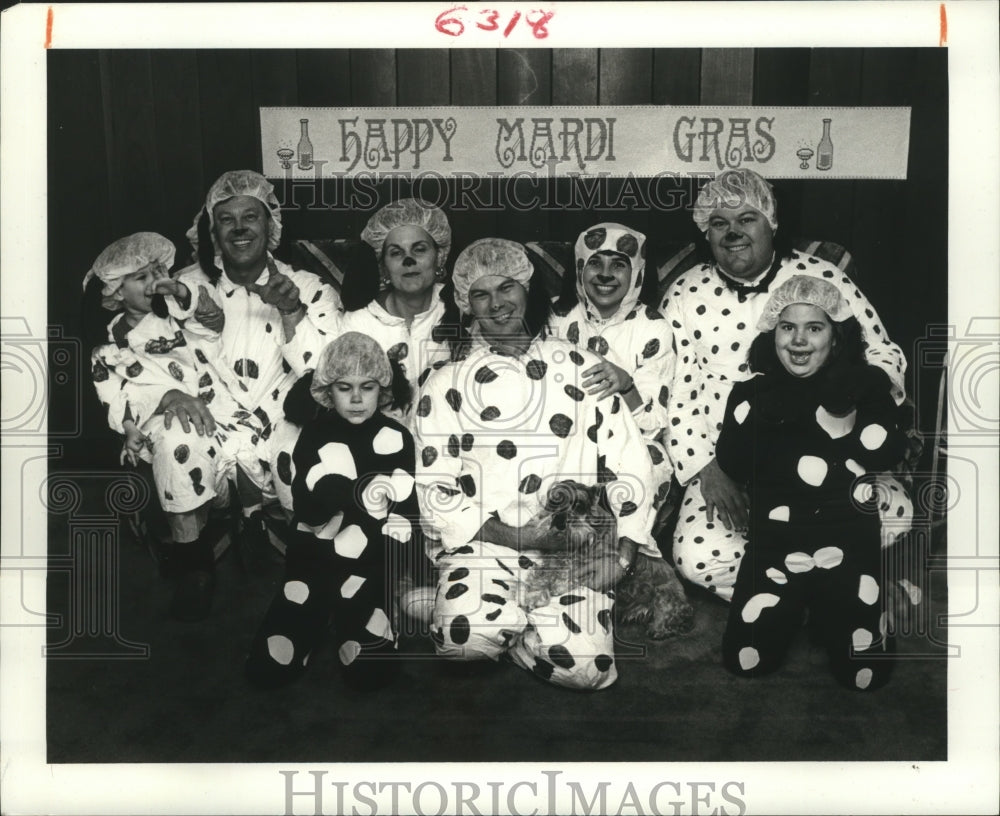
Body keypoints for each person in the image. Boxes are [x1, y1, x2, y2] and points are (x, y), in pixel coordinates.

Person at [414, 238, 681, 690]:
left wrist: (624, 553)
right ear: (466, 303)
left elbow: (632, 460)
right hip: (486, 545)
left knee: (588, 672)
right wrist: (517, 536)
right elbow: (435, 489)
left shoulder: (582, 365)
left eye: (507, 288)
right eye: (481, 294)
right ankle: (497, 622)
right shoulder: (443, 384)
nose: (497, 304)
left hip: (573, 553)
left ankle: (507, 626)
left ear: (527, 289)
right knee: (464, 642)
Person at [661, 168, 912, 601]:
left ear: (771, 223)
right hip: (731, 462)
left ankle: (791, 589)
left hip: (830, 455)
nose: (733, 232)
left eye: (747, 219)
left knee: (895, 516)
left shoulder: (823, 275)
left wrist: (853, 395)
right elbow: (673, 393)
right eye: (719, 222)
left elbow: (882, 352)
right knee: (698, 559)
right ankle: (823, 592)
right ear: (706, 231)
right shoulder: (683, 293)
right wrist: (708, 471)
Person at [715, 276, 906, 690]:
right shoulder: (751, 394)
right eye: (788, 327)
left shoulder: (865, 388)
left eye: (814, 328)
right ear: (773, 334)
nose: (799, 340)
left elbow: (885, 452)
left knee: (865, 677)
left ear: (835, 339)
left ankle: (834, 609)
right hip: (775, 546)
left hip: (849, 547)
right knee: (745, 661)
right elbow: (731, 460)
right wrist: (770, 411)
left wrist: (855, 393)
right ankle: (798, 607)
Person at [86, 232, 264, 621]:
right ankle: (194, 564)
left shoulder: (182, 321)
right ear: (116, 292)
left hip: (222, 410)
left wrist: (181, 293)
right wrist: (146, 413)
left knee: (253, 455)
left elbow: (212, 321)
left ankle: (253, 526)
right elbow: (116, 400)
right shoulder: (110, 349)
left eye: (158, 271)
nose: (153, 283)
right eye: (140, 277)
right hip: (164, 423)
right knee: (177, 445)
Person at [168, 169, 343, 528]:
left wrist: (292, 312)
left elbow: (328, 374)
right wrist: (170, 394)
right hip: (206, 429)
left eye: (250, 216)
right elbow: (151, 354)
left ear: (270, 224)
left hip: (280, 427)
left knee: (305, 453)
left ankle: (309, 560)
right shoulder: (183, 290)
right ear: (212, 232)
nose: (239, 228)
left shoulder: (310, 288)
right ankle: (193, 561)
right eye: (226, 220)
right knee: (173, 447)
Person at [245, 333, 421, 689]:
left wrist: (395, 561)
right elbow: (306, 509)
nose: (356, 398)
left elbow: (404, 508)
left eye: (367, 387)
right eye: (344, 387)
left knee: (367, 667)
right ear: (327, 391)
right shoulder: (312, 435)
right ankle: (311, 620)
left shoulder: (397, 438)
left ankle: (353, 622)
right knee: (271, 662)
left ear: (382, 389)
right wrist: (330, 491)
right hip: (313, 554)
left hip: (369, 561)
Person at [550, 222, 675, 528]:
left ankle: (626, 549)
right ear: (579, 267)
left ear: (637, 273)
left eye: (619, 265)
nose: (605, 274)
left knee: (651, 463)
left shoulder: (653, 327)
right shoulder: (555, 316)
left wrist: (627, 384)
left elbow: (653, 424)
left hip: (626, 441)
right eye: (595, 262)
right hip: (559, 436)